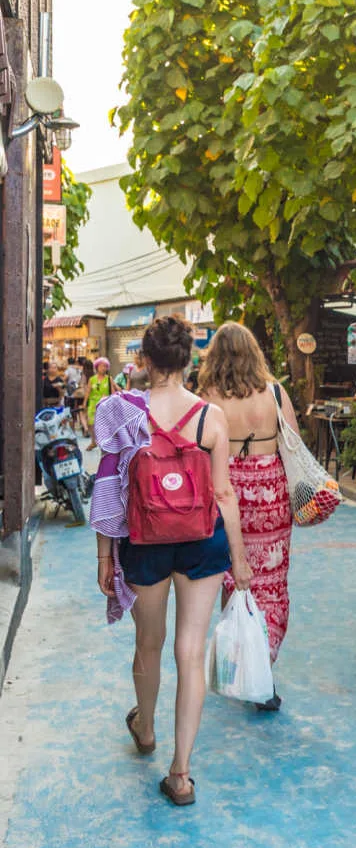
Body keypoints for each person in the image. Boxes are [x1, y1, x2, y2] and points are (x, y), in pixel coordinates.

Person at [91, 316, 252, 806]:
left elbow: (107, 491)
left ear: (144, 360)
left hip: (145, 540)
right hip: (202, 540)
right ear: (188, 361)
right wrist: (240, 560)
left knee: (149, 641)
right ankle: (181, 773)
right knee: (189, 650)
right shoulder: (211, 417)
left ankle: (145, 729)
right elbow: (223, 493)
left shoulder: (122, 411)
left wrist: (104, 555)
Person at [199, 321, 299, 709]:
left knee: (235, 580)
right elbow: (293, 443)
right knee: (272, 584)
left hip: (229, 497)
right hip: (272, 496)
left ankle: (241, 662)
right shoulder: (274, 391)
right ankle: (264, 666)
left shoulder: (208, 398)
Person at [85, 357, 114, 449]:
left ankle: (104, 442)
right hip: (93, 404)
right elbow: (88, 391)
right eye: (102, 366)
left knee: (104, 424)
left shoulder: (109, 378)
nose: (103, 368)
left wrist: (112, 401)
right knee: (91, 423)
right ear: (97, 367)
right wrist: (84, 403)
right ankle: (93, 441)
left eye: (105, 366)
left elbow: (113, 392)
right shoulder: (92, 379)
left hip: (105, 404)